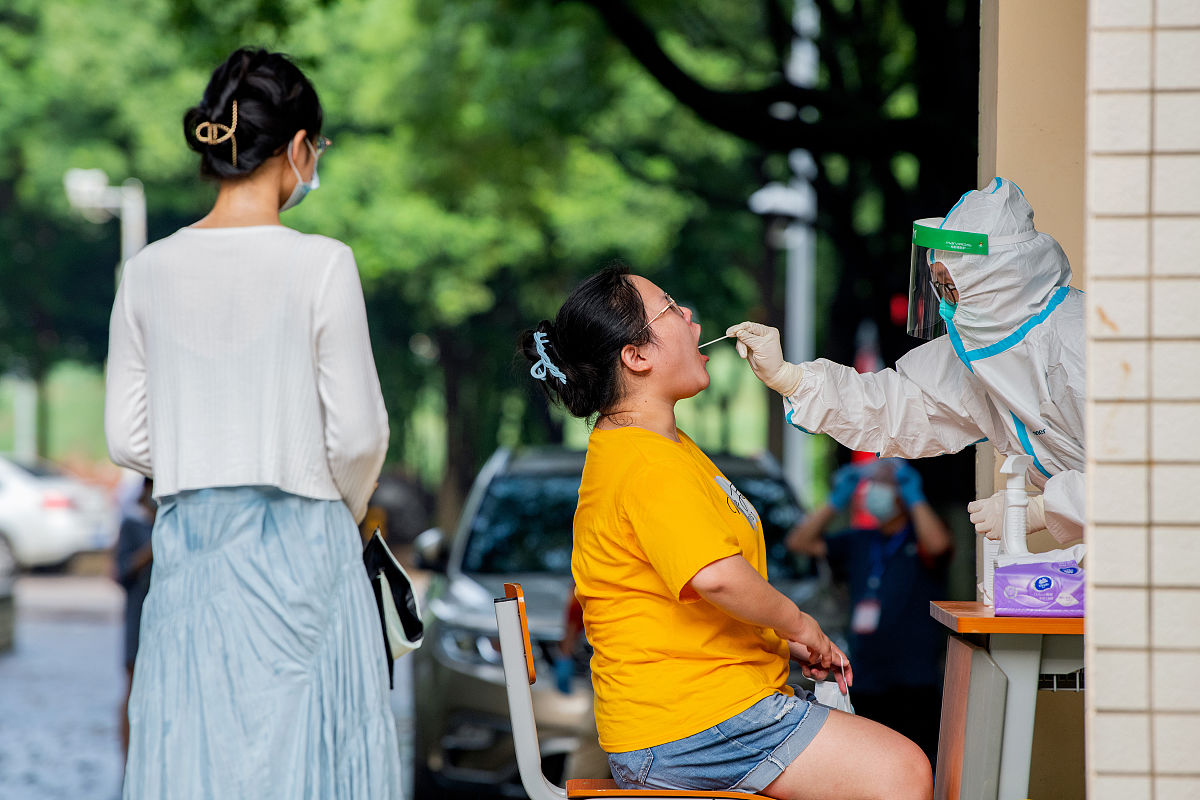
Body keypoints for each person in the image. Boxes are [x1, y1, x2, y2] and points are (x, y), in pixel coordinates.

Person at [105, 48, 399, 799]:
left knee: (195, 752)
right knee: (309, 761)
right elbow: (359, 435)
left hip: (194, 549)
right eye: (318, 149)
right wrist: (344, 504)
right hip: (305, 545)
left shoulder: (147, 271)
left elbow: (125, 439)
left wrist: (199, 450)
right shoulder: (323, 264)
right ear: (299, 147)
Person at [519, 266, 931, 799]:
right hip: (689, 727)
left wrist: (779, 643)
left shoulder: (655, 446)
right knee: (900, 771)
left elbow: (690, 608)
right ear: (637, 356)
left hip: (698, 716)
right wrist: (799, 626)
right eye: (670, 308)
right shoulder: (645, 462)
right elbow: (717, 578)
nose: (690, 316)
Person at [728, 177, 1085, 546]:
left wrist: (1043, 509)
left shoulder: (1079, 344)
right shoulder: (985, 352)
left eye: (950, 285)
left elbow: (1139, 475)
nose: (945, 301)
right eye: (938, 284)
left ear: (994, 280)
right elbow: (896, 406)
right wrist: (791, 378)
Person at [786, 458, 952, 764]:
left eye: (886, 484)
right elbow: (799, 542)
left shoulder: (922, 536)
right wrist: (835, 501)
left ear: (904, 492)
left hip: (914, 677)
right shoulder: (860, 540)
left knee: (918, 759)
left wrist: (915, 497)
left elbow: (940, 545)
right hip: (866, 674)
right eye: (872, 484)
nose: (874, 492)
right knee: (870, 761)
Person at [114, 476, 155, 760]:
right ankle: (127, 760)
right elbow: (121, 572)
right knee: (131, 689)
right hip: (137, 616)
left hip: (162, 622)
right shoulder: (132, 525)